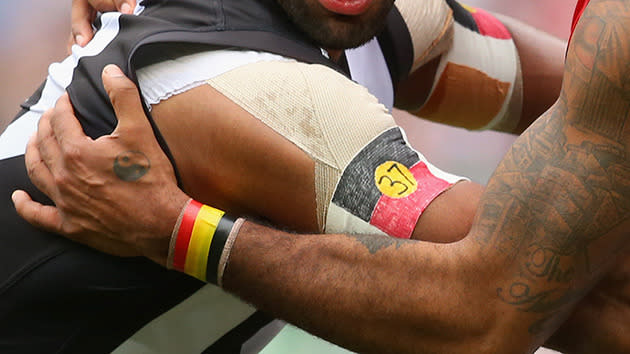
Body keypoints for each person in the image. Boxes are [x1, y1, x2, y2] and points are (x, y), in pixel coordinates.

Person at [12, 0, 630, 352]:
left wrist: (177, 230)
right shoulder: (244, 87)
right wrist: (184, 233)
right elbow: (489, 306)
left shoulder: (369, 17)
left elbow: (598, 105)